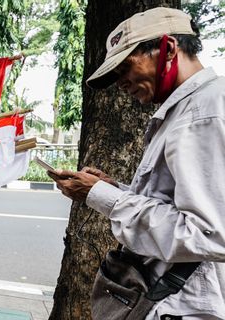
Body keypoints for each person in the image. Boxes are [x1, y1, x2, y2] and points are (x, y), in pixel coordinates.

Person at [48, 7, 225, 320]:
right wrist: (111, 188)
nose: (121, 83)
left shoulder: (204, 114)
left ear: (168, 49)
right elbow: (176, 205)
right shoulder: (183, 112)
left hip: (184, 306)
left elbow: (209, 235)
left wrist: (105, 197)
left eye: (125, 68)